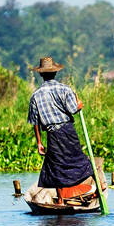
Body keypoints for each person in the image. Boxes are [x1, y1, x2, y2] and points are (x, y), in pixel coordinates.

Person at [27, 56, 96, 193]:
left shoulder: (35, 95)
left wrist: (39, 143)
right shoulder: (65, 89)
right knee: (79, 158)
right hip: (68, 130)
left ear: (41, 74)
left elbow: (35, 122)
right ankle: (99, 183)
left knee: (56, 165)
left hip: (52, 133)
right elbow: (73, 109)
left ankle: (61, 198)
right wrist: (79, 104)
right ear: (55, 72)